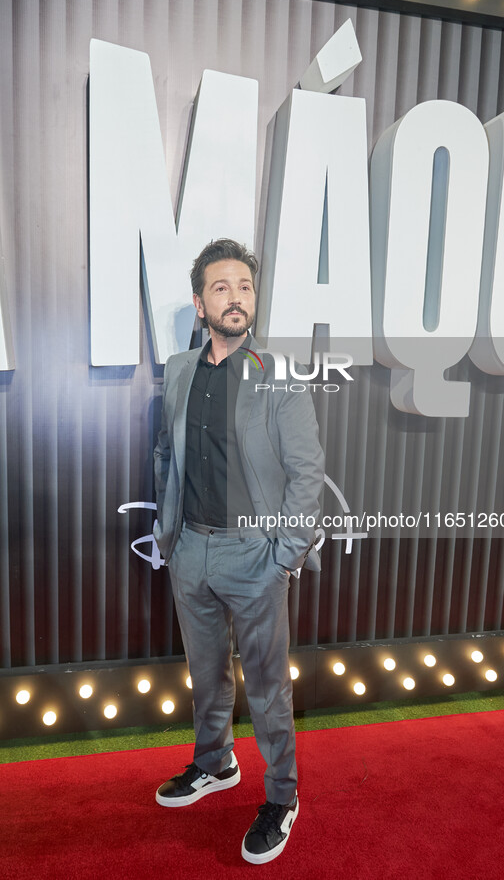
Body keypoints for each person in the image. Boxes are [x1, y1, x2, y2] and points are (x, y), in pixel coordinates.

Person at [152, 238, 324, 864]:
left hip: (256, 557)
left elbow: (307, 475)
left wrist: (283, 557)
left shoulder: (280, 376)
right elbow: (166, 453)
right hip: (190, 552)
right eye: (222, 288)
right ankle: (214, 763)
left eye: (245, 287)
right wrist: (171, 535)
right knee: (206, 674)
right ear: (200, 304)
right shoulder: (177, 370)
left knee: (269, 686)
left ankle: (281, 795)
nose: (236, 298)